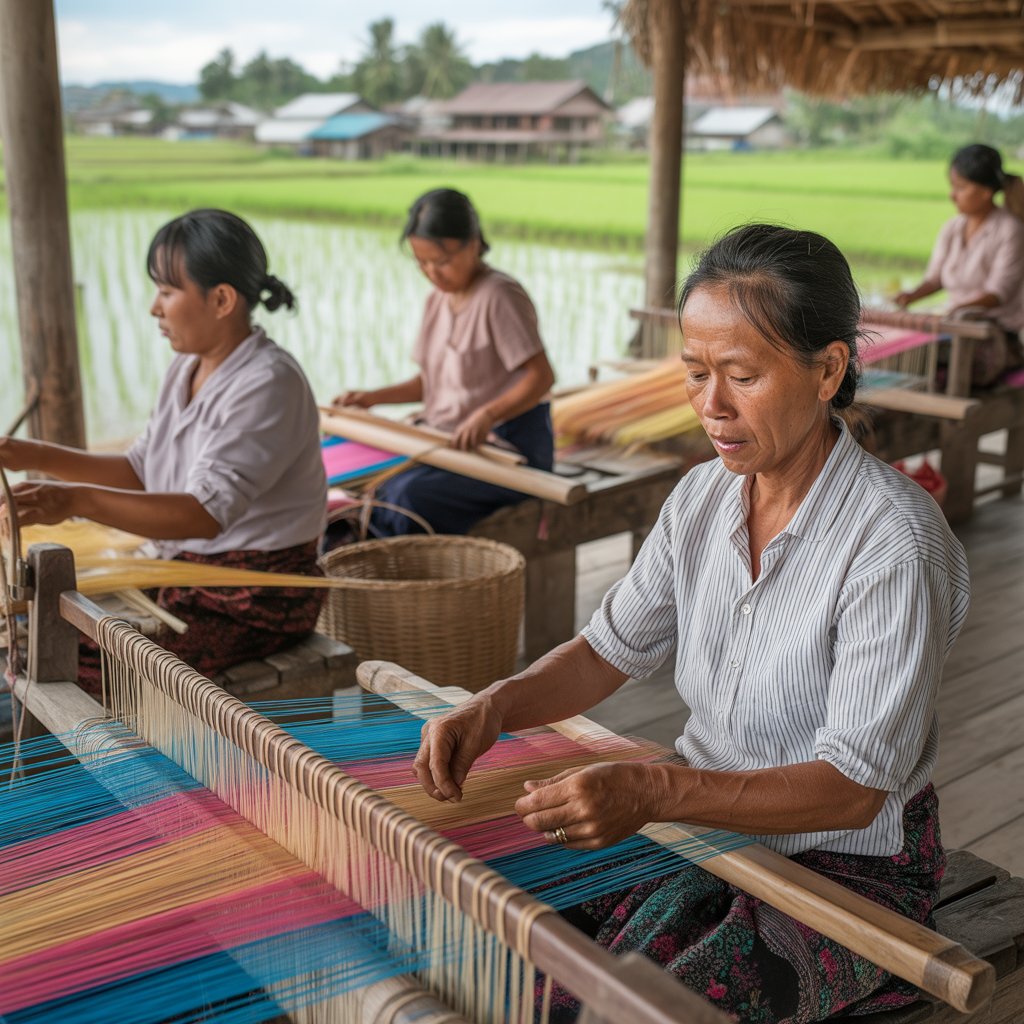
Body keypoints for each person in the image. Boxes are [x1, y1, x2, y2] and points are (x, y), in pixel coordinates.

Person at [415, 224, 970, 1022]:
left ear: (828, 371)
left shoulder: (893, 544)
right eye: (695, 372)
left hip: (848, 865)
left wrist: (652, 786)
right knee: (491, 938)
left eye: (742, 375)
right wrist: (497, 705)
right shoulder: (703, 498)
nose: (711, 406)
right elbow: (607, 651)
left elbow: (852, 790)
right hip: (703, 822)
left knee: (629, 1004)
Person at [0, 208, 327, 688]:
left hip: (253, 597)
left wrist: (69, 500)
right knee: (35, 623)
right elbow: (142, 468)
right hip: (182, 570)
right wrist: (29, 454)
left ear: (221, 300)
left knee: (70, 649)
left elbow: (203, 514)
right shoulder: (188, 367)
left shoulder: (267, 383)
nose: (156, 307)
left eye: (168, 291)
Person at [332, 188, 556, 537]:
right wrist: (372, 397)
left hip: (506, 451)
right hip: (450, 443)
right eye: (422, 262)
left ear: (473, 244)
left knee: (406, 495)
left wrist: (487, 415)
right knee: (373, 482)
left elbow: (540, 377)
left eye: (442, 261)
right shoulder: (437, 300)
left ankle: (386, 573)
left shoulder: (499, 295)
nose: (432, 272)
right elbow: (431, 382)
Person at [895, 143, 1024, 386]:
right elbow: (936, 279)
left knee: (932, 363)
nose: (952, 195)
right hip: (953, 328)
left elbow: (998, 293)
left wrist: (954, 311)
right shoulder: (952, 228)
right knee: (901, 352)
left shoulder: (1011, 231)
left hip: (992, 336)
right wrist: (910, 297)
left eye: (961, 187)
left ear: (986, 191)